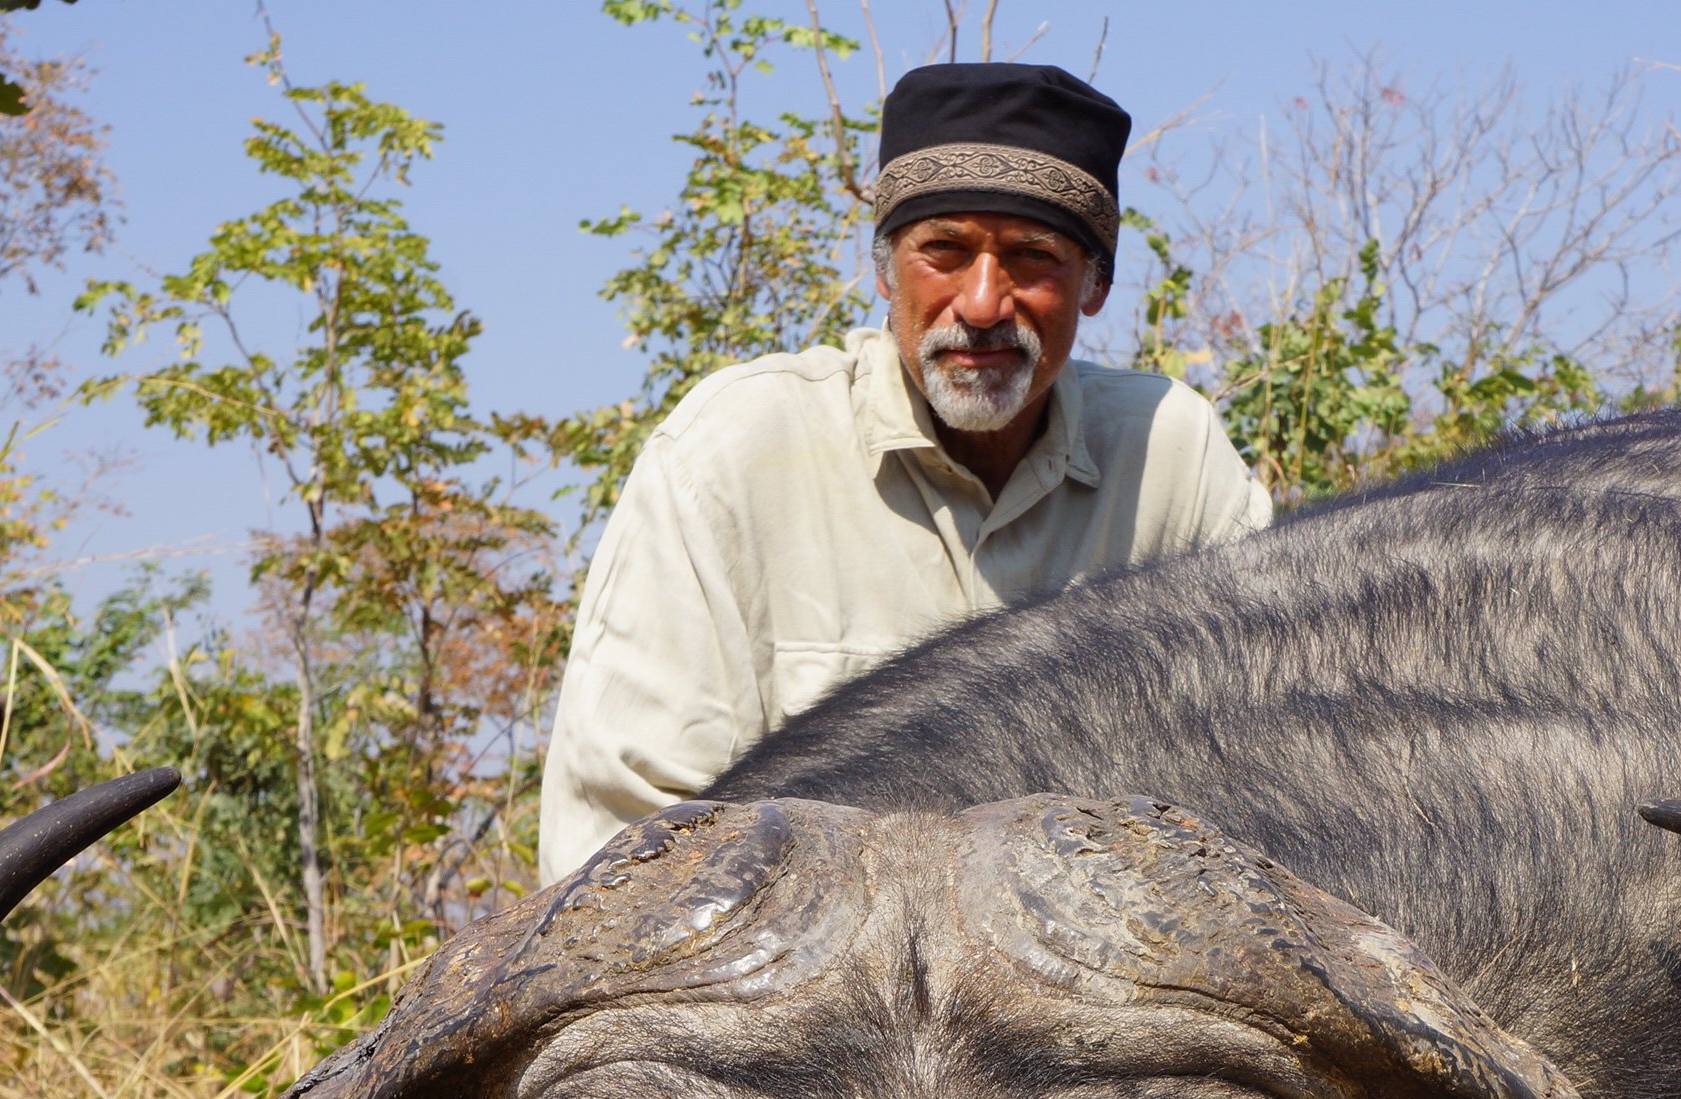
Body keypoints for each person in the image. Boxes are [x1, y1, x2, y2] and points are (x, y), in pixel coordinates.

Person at [536, 61, 1273, 884]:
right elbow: (627, 832)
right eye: (944, 251)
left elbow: (1265, 771)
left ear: (1093, 285)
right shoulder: (735, 450)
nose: (985, 303)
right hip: (791, 993)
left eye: (1032, 257)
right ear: (885, 271)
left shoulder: (1173, 450)